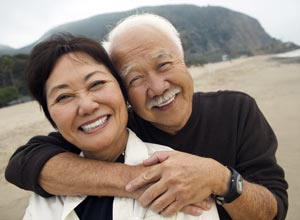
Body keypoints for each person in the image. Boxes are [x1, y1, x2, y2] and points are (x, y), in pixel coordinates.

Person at [5, 14, 288, 220]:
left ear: (183, 59)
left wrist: (219, 178)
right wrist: (147, 180)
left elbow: (274, 209)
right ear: (123, 92)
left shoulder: (235, 110)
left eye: (164, 64)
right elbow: (24, 163)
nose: (158, 87)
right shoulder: (115, 128)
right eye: (135, 78)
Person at [22, 34, 219, 220]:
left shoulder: (180, 180)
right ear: (50, 115)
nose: (87, 106)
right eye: (64, 97)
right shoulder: (45, 196)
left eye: (96, 84)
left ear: (124, 93)